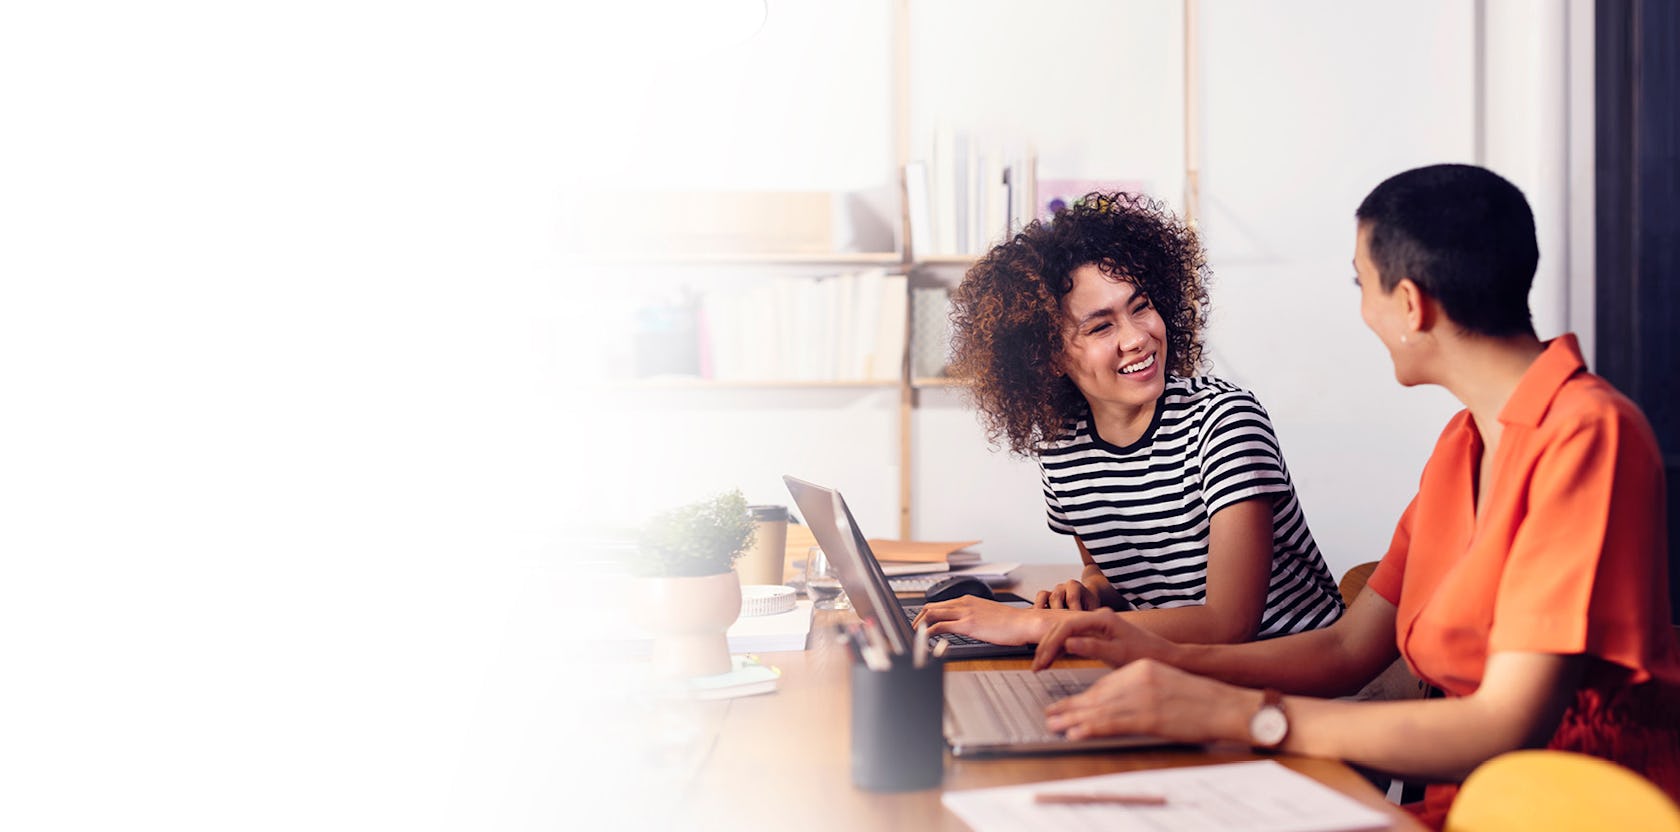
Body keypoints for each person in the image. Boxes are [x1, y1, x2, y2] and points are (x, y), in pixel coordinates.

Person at [1027, 164, 1680, 829]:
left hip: (1574, 810)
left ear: (1410, 305)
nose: (1362, 310)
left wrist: (1237, 713)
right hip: (1470, 804)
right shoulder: (1464, 442)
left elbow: (1505, 724)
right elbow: (1347, 650)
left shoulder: (1589, 432)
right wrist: (1169, 660)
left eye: (1360, 284)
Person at [912, 193, 1345, 647]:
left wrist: (1039, 625)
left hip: (1299, 677)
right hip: (1186, 673)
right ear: (1050, 355)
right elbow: (1116, 573)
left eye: (1140, 307)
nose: (1138, 338)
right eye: (1101, 327)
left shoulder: (1224, 422)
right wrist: (1092, 593)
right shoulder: (1062, 449)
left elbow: (1229, 623)